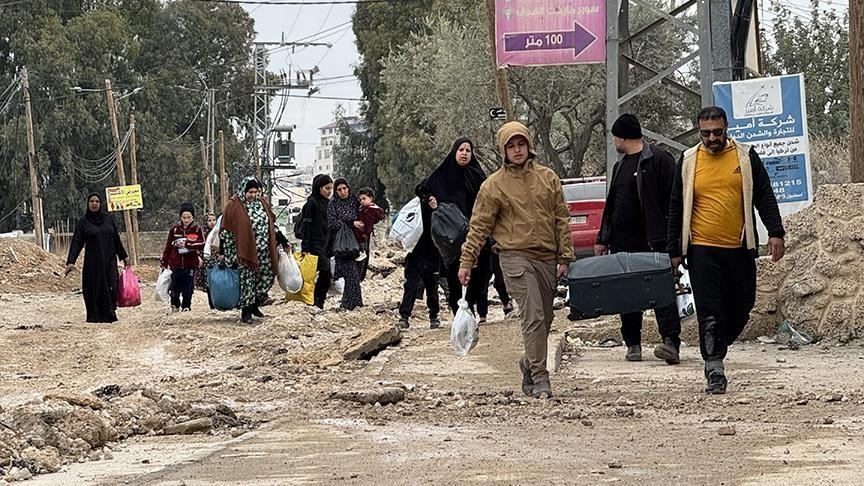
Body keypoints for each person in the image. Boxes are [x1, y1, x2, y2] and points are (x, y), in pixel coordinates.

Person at [667, 106, 785, 395]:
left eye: (717, 132)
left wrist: (775, 232)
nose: (712, 138)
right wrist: (674, 250)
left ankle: (717, 344)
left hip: (739, 248)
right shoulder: (687, 160)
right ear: (699, 132)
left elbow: (764, 195)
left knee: (742, 306)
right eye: (705, 133)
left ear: (727, 128)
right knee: (710, 310)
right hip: (702, 250)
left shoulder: (745, 156)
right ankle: (715, 368)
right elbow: (675, 207)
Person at [458, 122, 574, 399]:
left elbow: (561, 218)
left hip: (546, 257)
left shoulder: (548, 178)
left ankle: (527, 362)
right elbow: (479, 226)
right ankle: (540, 376)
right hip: (514, 256)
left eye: (521, 144)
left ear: (529, 145)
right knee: (532, 315)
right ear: (503, 150)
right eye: (511, 146)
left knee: (544, 319)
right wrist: (467, 260)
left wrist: (565, 255)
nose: (517, 150)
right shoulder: (494, 186)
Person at [594, 113, 682, 364]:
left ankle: (670, 343)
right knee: (627, 294)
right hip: (622, 244)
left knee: (661, 293)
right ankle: (633, 344)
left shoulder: (660, 161)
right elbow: (612, 205)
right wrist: (603, 237)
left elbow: (676, 204)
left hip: (653, 243)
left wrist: (672, 242)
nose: (613, 142)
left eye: (614, 137)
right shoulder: (620, 165)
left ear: (622, 137)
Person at [417, 137, 491, 321]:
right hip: (452, 240)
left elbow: (490, 197)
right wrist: (430, 200)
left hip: (476, 234)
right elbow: (422, 189)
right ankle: (461, 312)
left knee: (480, 273)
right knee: (454, 274)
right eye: (461, 150)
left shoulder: (477, 175)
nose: (464, 153)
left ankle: (473, 307)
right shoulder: (443, 175)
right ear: (454, 152)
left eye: (468, 150)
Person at [220, 177, 289, 323]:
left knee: (266, 276)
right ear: (243, 190)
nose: (253, 195)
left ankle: (255, 304)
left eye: (255, 191)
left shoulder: (262, 203)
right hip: (245, 251)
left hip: (264, 250)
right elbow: (226, 231)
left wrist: (282, 239)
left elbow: (271, 224)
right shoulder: (234, 205)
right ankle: (246, 312)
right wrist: (226, 253)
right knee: (247, 281)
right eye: (250, 192)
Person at [65, 193, 130, 323]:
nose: (94, 204)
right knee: (94, 288)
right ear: (88, 204)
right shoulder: (83, 222)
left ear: (101, 204)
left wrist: (124, 256)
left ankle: (109, 314)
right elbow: (77, 242)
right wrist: (71, 262)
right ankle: (95, 316)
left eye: (97, 201)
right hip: (93, 263)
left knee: (111, 286)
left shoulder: (109, 219)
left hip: (109, 260)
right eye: (92, 201)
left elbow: (116, 239)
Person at [396, 196, 442, 330]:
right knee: (410, 286)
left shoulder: (437, 210)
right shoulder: (414, 209)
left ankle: (433, 316)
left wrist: (436, 209)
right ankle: (404, 317)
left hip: (432, 254)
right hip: (414, 254)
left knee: (432, 287)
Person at [160, 202, 205, 312]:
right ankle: (175, 304)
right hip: (176, 263)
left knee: (188, 287)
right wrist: (164, 261)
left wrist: (188, 244)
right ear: (180, 217)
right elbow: (168, 246)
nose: (186, 220)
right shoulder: (175, 229)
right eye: (183, 217)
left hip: (190, 263)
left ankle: (186, 306)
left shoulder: (197, 229)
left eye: (188, 217)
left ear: (193, 217)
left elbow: (202, 244)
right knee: (174, 286)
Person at [298, 174, 334, 309]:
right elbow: (306, 226)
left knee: (323, 274)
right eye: (326, 188)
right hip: (314, 245)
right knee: (325, 272)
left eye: (331, 188)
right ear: (319, 188)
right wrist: (305, 247)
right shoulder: (311, 203)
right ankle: (316, 300)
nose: (329, 191)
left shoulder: (328, 204)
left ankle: (318, 300)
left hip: (325, 245)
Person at [328, 178, 364, 310]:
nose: (343, 192)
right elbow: (332, 223)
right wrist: (350, 223)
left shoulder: (354, 201)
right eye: (339, 189)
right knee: (352, 276)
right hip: (343, 246)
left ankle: (347, 303)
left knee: (357, 275)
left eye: (345, 188)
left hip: (357, 244)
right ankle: (355, 304)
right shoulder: (333, 204)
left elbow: (363, 216)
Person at [354, 187, 385, 280]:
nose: (362, 201)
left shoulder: (369, 211)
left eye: (364, 199)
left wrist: (364, 234)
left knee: (360, 257)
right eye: (360, 199)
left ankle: (358, 277)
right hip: (361, 236)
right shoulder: (365, 209)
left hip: (362, 237)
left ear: (371, 198)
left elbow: (368, 226)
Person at [195, 212, 218, 309]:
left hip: (217, 260)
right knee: (209, 283)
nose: (212, 222)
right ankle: (211, 304)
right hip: (207, 261)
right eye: (209, 220)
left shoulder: (218, 231)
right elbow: (199, 247)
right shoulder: (202, 233)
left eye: (214, 220)